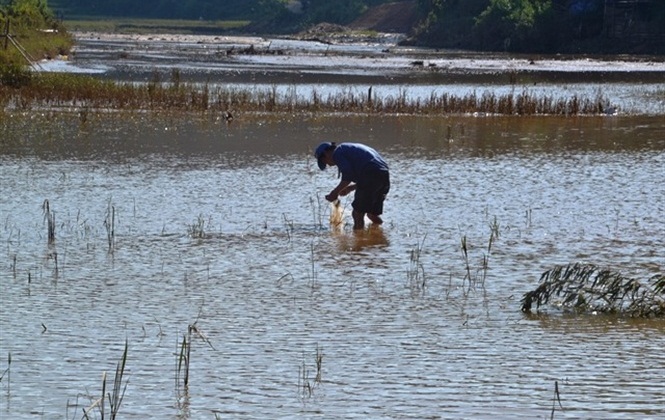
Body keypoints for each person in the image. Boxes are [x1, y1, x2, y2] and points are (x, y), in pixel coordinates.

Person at [314, 141, 390, 230]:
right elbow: (370, 176)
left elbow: (348, 176)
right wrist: (350, 188)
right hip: (384, 175)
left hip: (371, 174)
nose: (329, 165)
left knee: (357, 213)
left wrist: (335, 193)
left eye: (324, 161)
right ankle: (381, 235)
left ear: (326, 153)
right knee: (372, 214)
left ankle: (358, 241)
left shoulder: (338, 152)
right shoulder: (348, 149)